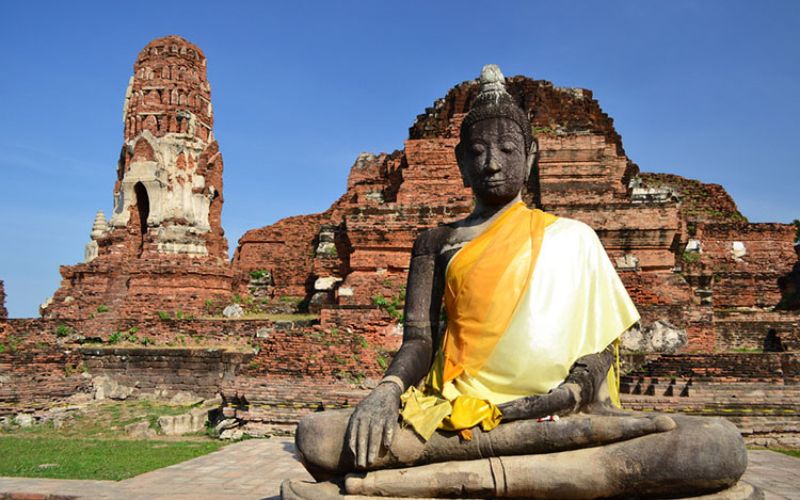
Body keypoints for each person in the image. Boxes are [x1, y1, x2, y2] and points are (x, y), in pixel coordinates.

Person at [282, 65, 751, 500]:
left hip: (556, 412)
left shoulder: (574, 237)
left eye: (506, 150)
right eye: (479, 152)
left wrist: (573, 392)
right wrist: (386, 391)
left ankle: (415, 483)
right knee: (318, 437)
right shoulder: (436, 242)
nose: (492, 164)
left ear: (529, 157)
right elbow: (420, 340)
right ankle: (552, 473)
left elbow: (602, 344)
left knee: (718, 446)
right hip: (454, 412)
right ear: (461, 161)